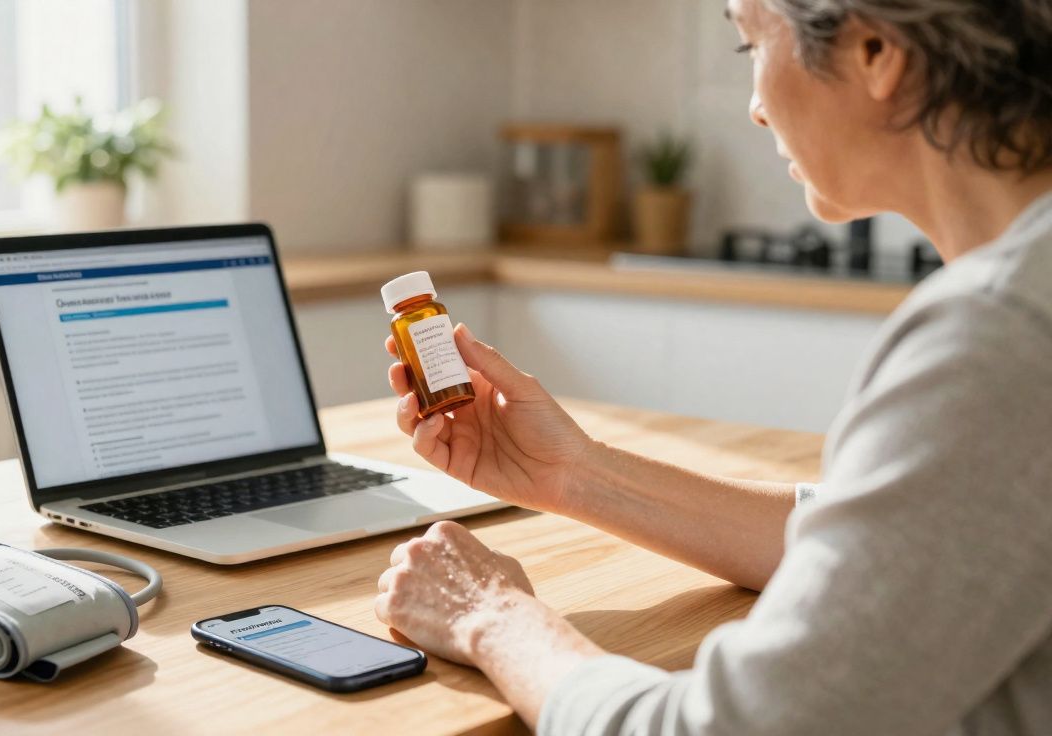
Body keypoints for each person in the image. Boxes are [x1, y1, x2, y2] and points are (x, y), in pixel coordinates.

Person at [372, 0, 1052, 733]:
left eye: (750, 44)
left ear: (876, 52)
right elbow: (889, 547)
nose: (756, 107)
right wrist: (575, 474)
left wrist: (491, 615)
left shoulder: (1000, 337)